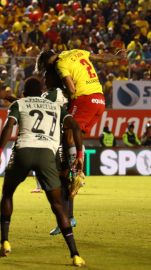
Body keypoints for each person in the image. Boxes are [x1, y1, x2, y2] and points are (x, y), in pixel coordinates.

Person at [0, 77, 86, 267]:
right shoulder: (55, 106)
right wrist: (80, 155)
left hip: (23, 151)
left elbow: (9, 125)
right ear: (41, 91)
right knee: (58, 205)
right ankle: (75, 255)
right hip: (47, 156)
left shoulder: (19, 103)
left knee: (7, 193)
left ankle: (5, 242)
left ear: (24, 93)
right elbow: (75, 127)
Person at [35, 48, 127, 199]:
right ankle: (74, 174)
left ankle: (77, 174)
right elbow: (101, 58)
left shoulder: (60, 63)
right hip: (99, 99)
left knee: (68, 135)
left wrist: (62, 93)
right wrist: (116, 57)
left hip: (85, 98)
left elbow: (72, 88)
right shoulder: (76, 52)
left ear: (47, 62)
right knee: (76, 138)